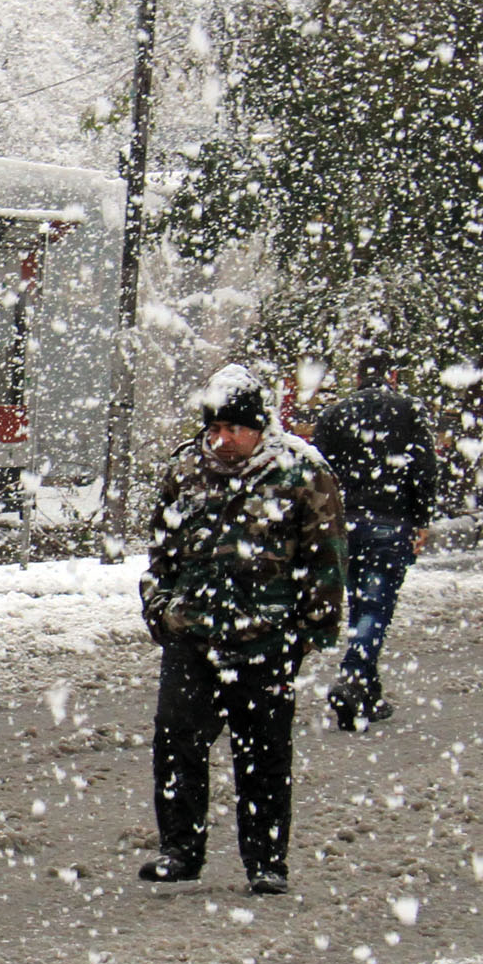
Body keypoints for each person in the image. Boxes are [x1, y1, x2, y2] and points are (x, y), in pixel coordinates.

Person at [138, 364, 346, 895]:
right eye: (215, 427)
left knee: (264, 750)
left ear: (259, 427)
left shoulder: (301, 471)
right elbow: (160, 553)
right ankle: (179, 850)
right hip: (193, 635)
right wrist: (161, 610)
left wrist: (308, 630)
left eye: (234, 428)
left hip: (267, 639)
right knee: (178, 740)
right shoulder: (185, 469)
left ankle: (266, 860)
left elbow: (326, 560)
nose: (222, 438)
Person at [310, 352, 442, 730]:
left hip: (344, 522)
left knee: (362, 604)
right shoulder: (409, 411)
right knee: (375, 606)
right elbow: (424, 468)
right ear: (393, 376)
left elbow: (318, 469)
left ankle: (368, 691)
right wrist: (420, 518)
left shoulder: (335, 414)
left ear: (357, 376)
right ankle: (354, 675)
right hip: (390, 520)